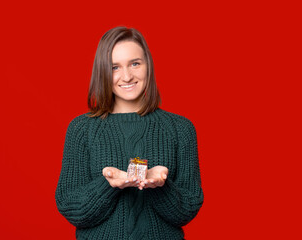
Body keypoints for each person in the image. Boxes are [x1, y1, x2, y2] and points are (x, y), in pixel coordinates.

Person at [55, 26, 204, 240]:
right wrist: (109, 183)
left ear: (148, 66)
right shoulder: (82, 129)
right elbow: (71, 207)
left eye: (135, 64)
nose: (126, 76)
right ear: (102, 71)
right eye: (114, 67)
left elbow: (187, 210)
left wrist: (161, 185)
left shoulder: (181, 129)